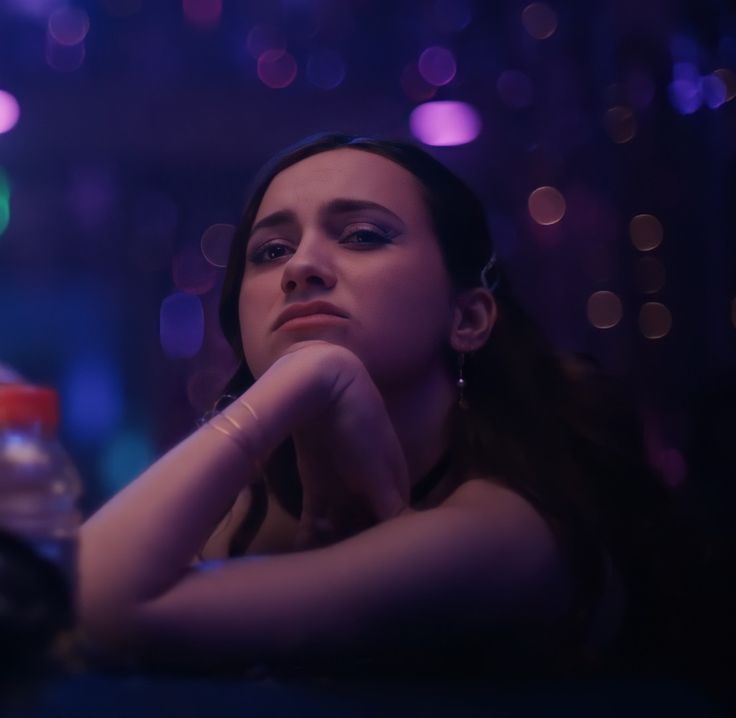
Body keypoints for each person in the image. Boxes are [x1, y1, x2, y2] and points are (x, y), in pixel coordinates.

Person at [78, 133, 679, 678]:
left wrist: (312, 367)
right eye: (271, 251)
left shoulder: (510, 527)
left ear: (467, 317)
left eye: (363, 235)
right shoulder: (257, 509)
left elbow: (101, 602)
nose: (300, 268)